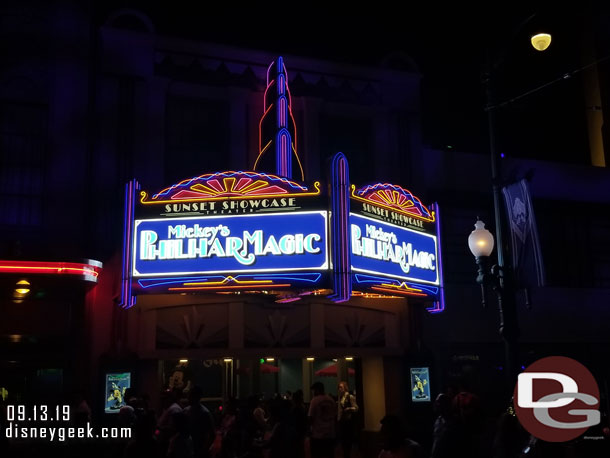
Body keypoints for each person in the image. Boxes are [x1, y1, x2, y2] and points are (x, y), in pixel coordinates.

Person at [183, 386, 215, 458]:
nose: (188, 397)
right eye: (189, 395)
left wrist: (204, 450)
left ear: (197, 397)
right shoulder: (186, 411)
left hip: (198, 447)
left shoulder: (204, 413)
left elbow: (212, 434)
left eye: (191, 395)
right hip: (189, 448)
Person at [308, 381, 336, 458]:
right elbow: (334, 416)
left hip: (318, 435)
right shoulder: (331, 400)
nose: (313, 392)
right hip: (330, 434)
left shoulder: (315, 400)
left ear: (317, 390)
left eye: (313, 390)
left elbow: (310, 417)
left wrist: (308, 430)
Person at [337, 381, 359, 458]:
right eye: (339, 387)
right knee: (343, 441)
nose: (339, 389)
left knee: (348, 441)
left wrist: (349, 408)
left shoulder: (350, 396)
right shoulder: (341, 397)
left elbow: (356, 408)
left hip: (348, 422)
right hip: (343, 421)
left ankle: (347, 454)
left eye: (341, 387)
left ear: (345, 388)